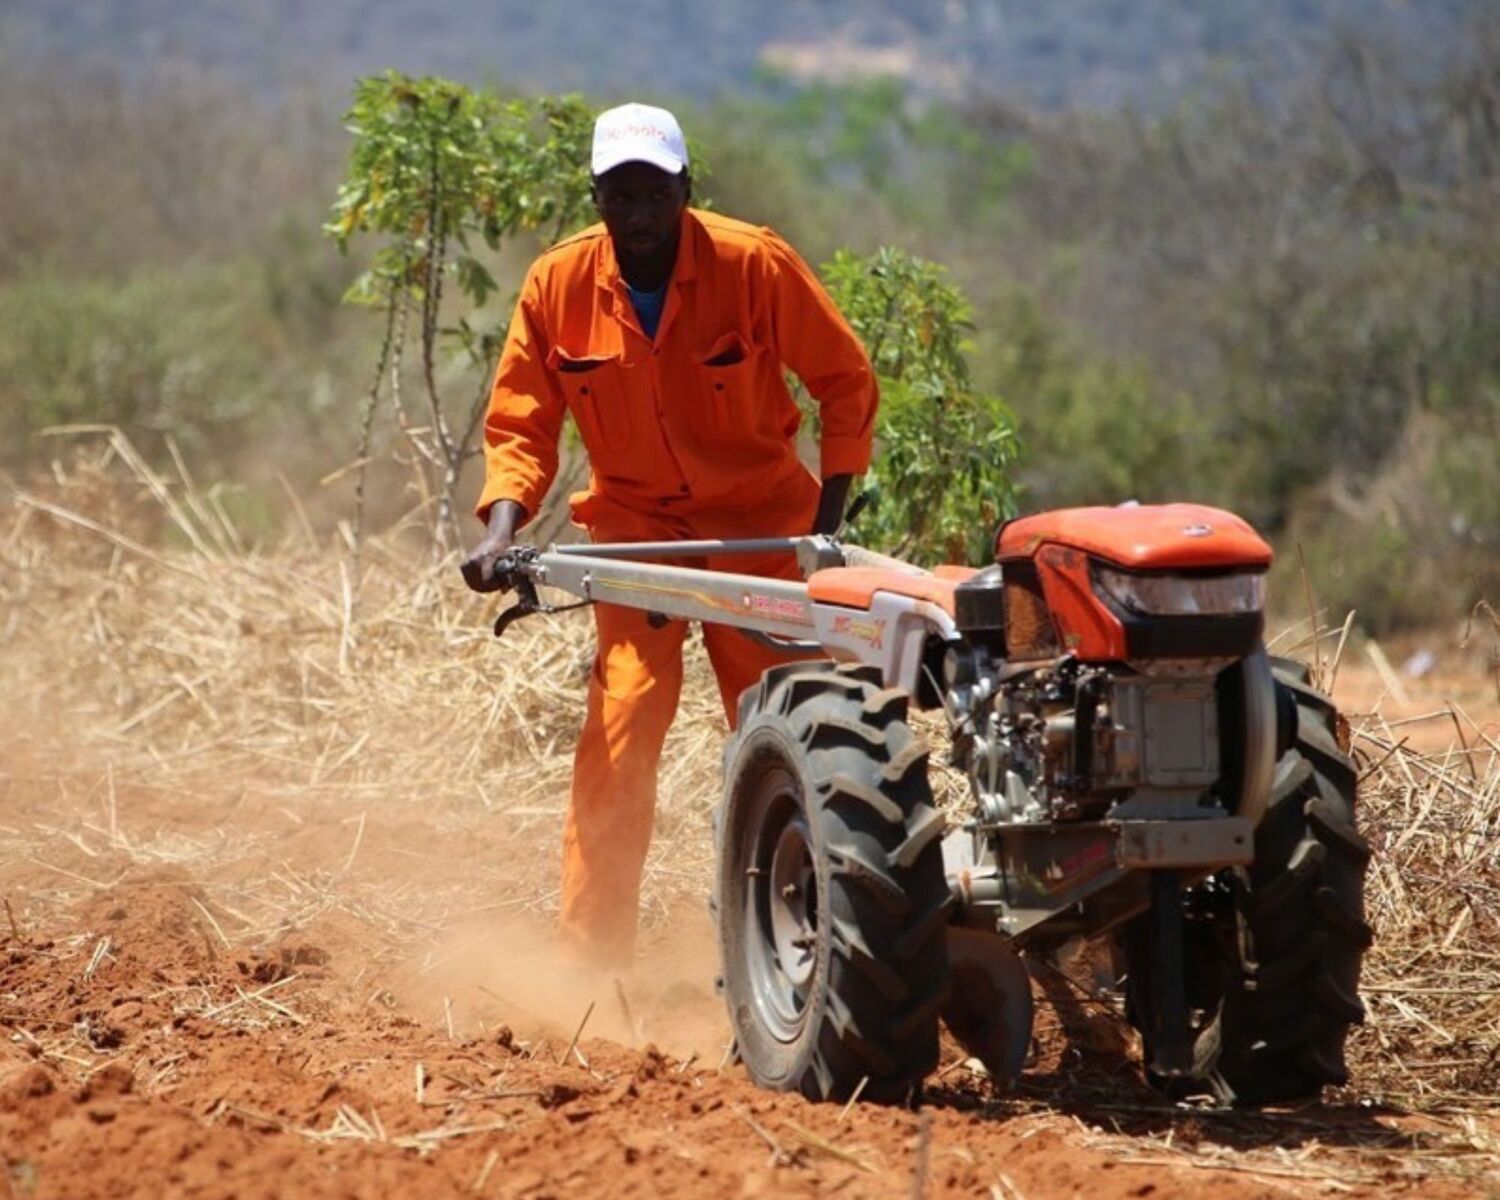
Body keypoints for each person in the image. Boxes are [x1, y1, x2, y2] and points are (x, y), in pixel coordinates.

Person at [462, 102, 877, 967]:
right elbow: (521, 422)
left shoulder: (753, 265)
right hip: (635, 533)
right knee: (621, 726)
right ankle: (590, 956)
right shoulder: (558, 284)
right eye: (621, 195)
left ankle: (817, 953)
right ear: (597, 195)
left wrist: (822, 532)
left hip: (760, 532)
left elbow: (844, 380)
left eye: (656, 193)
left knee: (791, 733)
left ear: (687, 189)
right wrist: (501, 529)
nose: (640, 214)